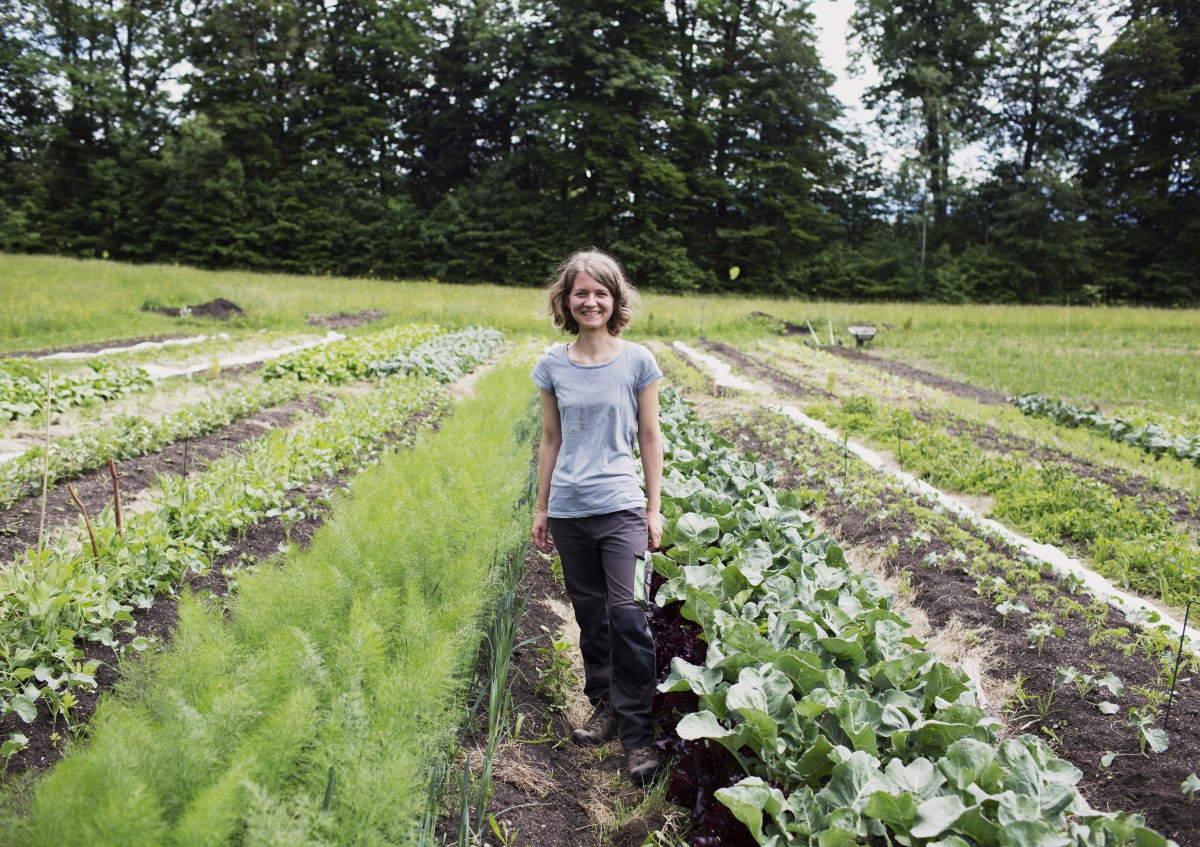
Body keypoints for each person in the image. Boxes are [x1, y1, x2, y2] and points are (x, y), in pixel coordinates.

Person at [530, 248, 664, 786]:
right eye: (580, 293)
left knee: (629, 616)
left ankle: (637, 734)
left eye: (600, 293)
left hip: (622, 508)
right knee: (591, 615)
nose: (590, 301)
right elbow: (550, 439)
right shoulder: (551, 365)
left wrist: (655, 509)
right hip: (569, 511)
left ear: (615, 300)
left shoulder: (638, 361)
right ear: (565, 300)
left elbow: (651, 437)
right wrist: (541, 507)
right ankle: (604, 704)